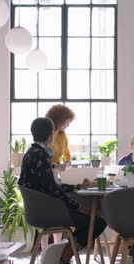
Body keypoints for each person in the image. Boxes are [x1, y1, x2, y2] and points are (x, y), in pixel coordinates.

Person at [18, 117, 106, 263]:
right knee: (98, 222)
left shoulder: (31, 153)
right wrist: (80, 208)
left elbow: (49, 185)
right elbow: (53, 189)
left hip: (39, 210)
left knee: (92, 221)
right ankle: (64, 257)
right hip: (49, 211)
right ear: (51, 134)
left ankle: (64, 255)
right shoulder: (41, 155)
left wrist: (76, 187)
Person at [43, 104, 75, 249]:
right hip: (44, 176)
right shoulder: (46, 134)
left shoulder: (62, 136)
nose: (67, 125)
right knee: (45, 218)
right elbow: (42, 160)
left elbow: (66, 151)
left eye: (69, 123)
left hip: (56, 175)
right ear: (58, 119)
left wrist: (68, 161)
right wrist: (58, 165)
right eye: (66, 122)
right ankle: (44, 252)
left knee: (58, 214)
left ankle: (57, 250)